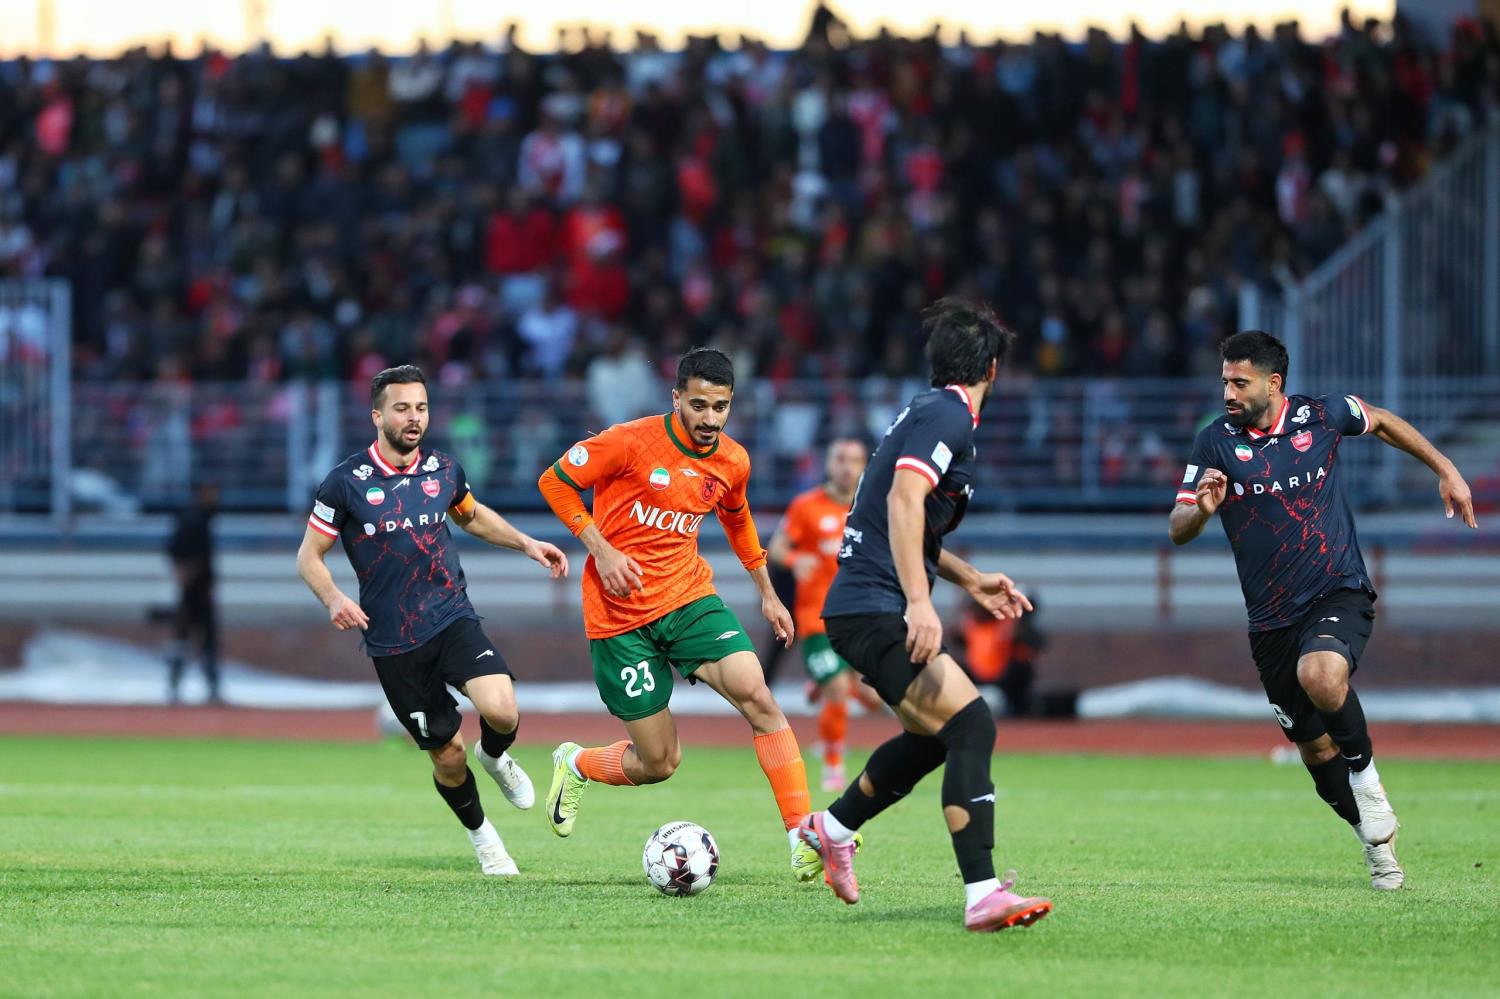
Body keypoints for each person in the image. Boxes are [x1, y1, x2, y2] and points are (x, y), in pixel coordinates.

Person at [1169, 330, 1477, 890]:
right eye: (1225, 382)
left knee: (1321, 674)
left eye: (1240, 383)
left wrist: (1445, 468)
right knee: (1313, 748)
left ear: (1273, 383)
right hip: (1270, 620)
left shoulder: (1321, 416)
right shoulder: (1214, 443)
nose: (1229, 393)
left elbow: (1381, 421)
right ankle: (1376, 845)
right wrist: (1203, 511)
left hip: (1337, 589)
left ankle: (1368, 779)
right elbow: (1177, 526)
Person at [800, 298, 1054, 932]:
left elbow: (905, 523)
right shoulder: (949, 415)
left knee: (934, 737)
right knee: (972, 725)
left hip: (860, 606)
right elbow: (903, 501)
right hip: (875, 607)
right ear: (992, 369)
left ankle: (833, 828)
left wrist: (970, 580)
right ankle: (983, 894)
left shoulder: (927, 410)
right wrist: (919, 602)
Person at [537, 347, 827, 883]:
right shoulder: (628, 441)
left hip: (687, 599)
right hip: (619, 616)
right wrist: (602, 549)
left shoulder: (732, 461)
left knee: (759, 696)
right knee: (660, 763)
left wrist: (767, 592)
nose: (710, 418)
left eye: (721, 407)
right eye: (698, 405)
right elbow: (554, 482)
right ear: (676, 399)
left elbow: (738, 520)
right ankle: (576, 763)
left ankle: (802, 837)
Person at [296, 365, 569, 876]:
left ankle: (496, 757)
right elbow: (309, 555)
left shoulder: (444, 469)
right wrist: (332, 598)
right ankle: (485, 840)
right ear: (377, 416)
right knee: (447, 756)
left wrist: (526, 543)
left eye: (421, 407)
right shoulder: (345, 483)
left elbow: (471, 515)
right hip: (394, 642)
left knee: (502, 710)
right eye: (402, 408)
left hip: (450, 615)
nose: (414, 417)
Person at [767, 437, 872, 791]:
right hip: (817, 617)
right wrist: (795, 559)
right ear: (828, 464)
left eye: (854, 460)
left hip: (859, 616)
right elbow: (777, 548)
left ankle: (821, 680)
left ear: (864, 467)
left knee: (875, 698)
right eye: (840, 458)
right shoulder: (806, 505)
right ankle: (833, 764)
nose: (846, 467)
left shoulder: (871, 506)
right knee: (839, 690)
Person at [166, 481, 222, 704]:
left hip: (199, 588)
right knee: (190, 639)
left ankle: (206, 687)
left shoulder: (202, 519)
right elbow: (176, 551)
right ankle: (178, 685)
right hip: (194, 589)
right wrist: (185, 573)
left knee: (196, 639)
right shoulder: (193, 520)